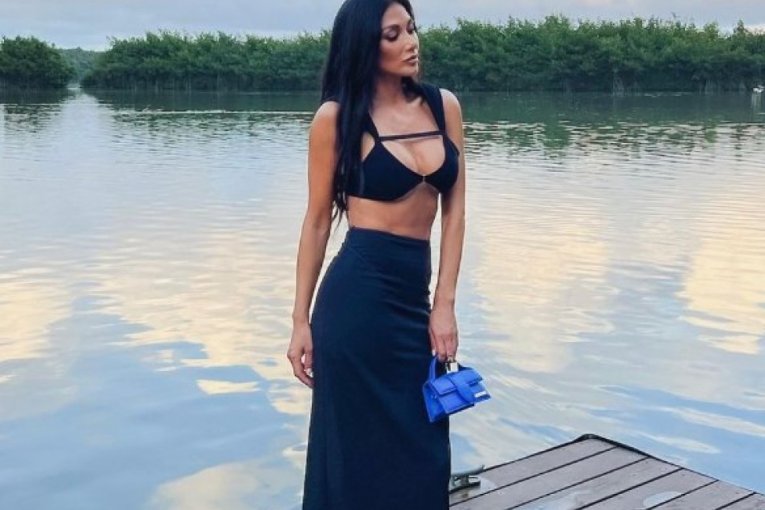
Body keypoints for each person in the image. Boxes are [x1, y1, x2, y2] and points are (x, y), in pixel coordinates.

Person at [287, 0, 466, 507]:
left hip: (414, 304)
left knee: (423, 446)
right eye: (393, 35)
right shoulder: (336, 119)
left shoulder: (443, 107)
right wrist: (300, 320)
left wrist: (444, 304)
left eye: (411, 28)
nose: (411, 42)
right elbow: (317, 221)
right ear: (365, 44)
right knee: (354, 454)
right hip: (355, 305)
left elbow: (455, 214)